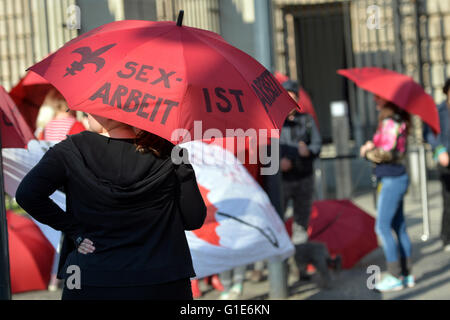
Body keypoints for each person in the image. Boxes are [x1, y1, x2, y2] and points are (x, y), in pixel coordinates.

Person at [15, 113, 207, 300]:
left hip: (91, 278)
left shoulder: (70, 150)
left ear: (108, 114)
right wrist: (185, 171)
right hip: (162, 279)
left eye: (91, 109)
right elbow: (193, 219)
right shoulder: (169, 152)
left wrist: (74, 229)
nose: (87, 114)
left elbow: (28, 194)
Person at [360, 95, 414, 292]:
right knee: (398, 226)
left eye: (378, 98)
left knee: (382, 226)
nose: (374, 100)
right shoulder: (396, 120)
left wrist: (367, 151)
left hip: (392, 179)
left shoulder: (391, 121)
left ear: (388, 100)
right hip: (395, 177)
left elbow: (387, 153)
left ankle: (394, 275)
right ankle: (406, 274)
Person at [424, 79, 450, 252]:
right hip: (446, 158)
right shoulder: (438, 111)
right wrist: (439, 149)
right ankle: (447, 237)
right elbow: (430, 134)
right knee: (448, 200)